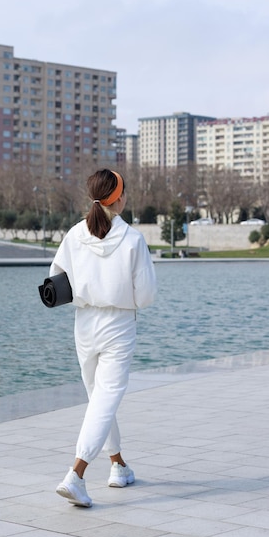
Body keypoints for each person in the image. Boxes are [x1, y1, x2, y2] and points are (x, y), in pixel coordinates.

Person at [49, 169, 157, 507]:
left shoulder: (75, 234)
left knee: (99, 397)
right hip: (118, 324)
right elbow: (146, 296)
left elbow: (56, 277)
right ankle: (76, 475)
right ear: (119, 198)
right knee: (105, 398)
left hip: (84, 324)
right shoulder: (133, 239)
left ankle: (118, 465)